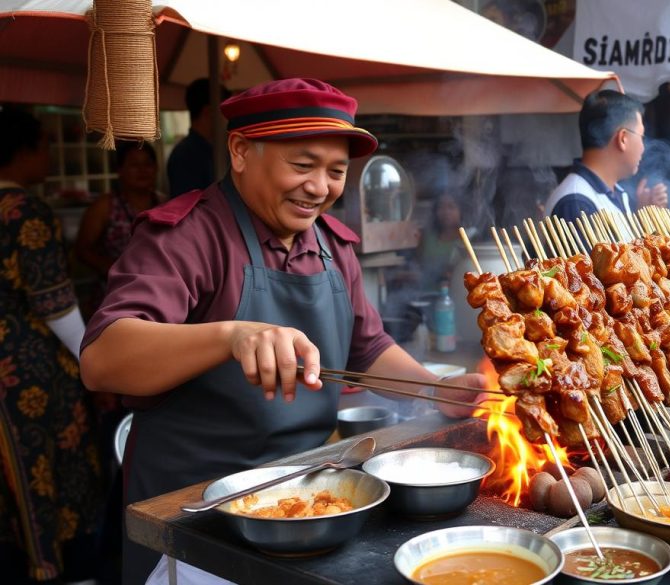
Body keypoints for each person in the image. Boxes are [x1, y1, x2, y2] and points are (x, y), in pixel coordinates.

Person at [78, 79, 487, 584]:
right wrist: (230, 336)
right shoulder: (187, 236)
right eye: (302, 165)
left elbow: (368, 347)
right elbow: (101, 359)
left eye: (336, 171)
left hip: (308, 501)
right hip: (197, 514)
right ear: (242, 151)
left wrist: (434, 388)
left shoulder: (333, 246)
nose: (320, 187)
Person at [0, 108, 104, 583]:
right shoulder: (23, 211)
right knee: (57, 472)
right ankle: (65, 569)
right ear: (23, 151)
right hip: (29, 368)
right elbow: (56, 305)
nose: (49, 156)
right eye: (44, 146)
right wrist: (96, 361)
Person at [544, 89, 660, 221]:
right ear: (623, 138)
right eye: (641, 137)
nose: (643, 147)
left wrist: (645, 218)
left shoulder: (616, 193)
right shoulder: (577, 203)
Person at [75, 141, 164, 279]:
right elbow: (82, 251)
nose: (142, 170)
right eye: (134, 165)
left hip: (159, 286)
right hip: (116, 291)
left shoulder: (165, 204)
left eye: (148, 164)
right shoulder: (105, 206)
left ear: (156, 168)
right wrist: (117, 270)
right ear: (120, 170)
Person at [166, 78, 227, 198]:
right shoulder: (185, 155)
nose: (227, 119)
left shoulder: (217, 150)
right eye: (224, 111)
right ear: (208, 112)